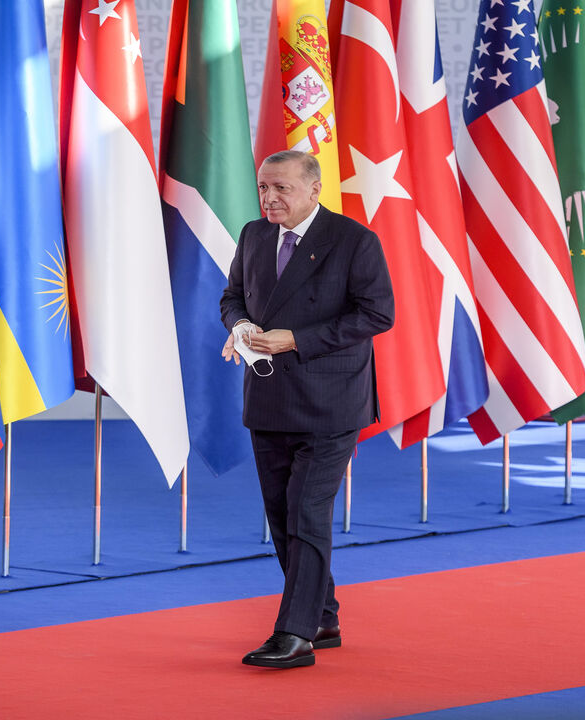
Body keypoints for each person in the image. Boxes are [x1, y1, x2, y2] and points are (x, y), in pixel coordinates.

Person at [220, 150, 394, 668]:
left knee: (307, 513)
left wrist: (296, 338)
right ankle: (322, 615)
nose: (269, 198)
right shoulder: (253, 235)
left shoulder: (354, 241)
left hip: (330, 402)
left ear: (314, 190)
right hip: (268, 397)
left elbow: (378, 314)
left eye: (282, 189)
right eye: (263, 188)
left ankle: (294, 634)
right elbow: (232, 296)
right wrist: (240, 327)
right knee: (280, 516)